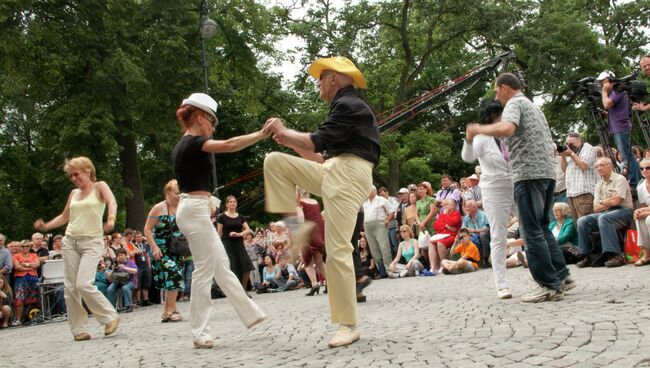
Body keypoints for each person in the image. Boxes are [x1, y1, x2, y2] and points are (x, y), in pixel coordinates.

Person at [262, 56, 379, 347]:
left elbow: (316, 142)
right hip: (335, 170)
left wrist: (284, 130)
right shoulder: (346, 109)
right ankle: (295, 226)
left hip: (347, 174)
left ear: (334, 79)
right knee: (275, 162)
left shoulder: (348, 105)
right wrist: (288, 141)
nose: (318, 85)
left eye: (320, 79)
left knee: (338, 249)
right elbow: (318, 156)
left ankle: (348, 324)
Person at [466, 72, 573, 303]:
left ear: (505, 87)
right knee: (542, 227)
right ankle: (562, 276)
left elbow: (507, 129)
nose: (497, 97)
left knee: (531, 231)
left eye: (496, 91)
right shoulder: (534, 106)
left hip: (527, 174)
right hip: (547, 174)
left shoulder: (514, 103)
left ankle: (547, 284)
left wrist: (478, 129)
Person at [172, 92, 267, 349]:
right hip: (194, 210)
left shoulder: (187, 143)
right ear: (201, 117)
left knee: (221, 265)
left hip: (195, 209)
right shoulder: (192, 142)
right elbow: (229, 145)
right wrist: (260, 134)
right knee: (204, 270)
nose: (213, 129)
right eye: (212, 122)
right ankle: (199, 332)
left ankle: (251, 313)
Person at [33, 156, 119, 340]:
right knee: (71, 287)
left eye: (76, 174)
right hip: (70, 241)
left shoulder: (100, 186)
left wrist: (111, 218)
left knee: (83, 284)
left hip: (92, 241)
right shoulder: (73, 194)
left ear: (88, 170)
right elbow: (65, 217)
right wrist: (46, 226)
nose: (73, 178)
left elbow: (112, 202)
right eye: (70, 176)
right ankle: (78, 329)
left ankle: (109, 317)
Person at [461, 98, 516, 299]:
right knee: (498, 234)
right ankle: (502, 284)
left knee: (532, 227)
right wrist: (468, 138)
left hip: (515, 182)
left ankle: (546, 274)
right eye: (498, 115)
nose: (502, 119)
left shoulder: (510, 131)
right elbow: (468, 158)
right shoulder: (482, 137)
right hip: (493, 188)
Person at [576, 157, 634, 268]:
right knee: (582, 221)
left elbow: (617, 201)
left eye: (602, 165)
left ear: (610, 166)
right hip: (606, 212)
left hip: (624, 211)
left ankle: (614, 255)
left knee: (604, 218)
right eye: (597, 166)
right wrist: (607, 201)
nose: (599, 168)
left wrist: (603, 202)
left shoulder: (620, 179)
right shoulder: (599, 184)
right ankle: (586, 255)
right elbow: (595, 208)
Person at [598, 70, 640, 186]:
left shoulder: (618, 90)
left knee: (626, 156)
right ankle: (636, 179)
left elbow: (607, 104)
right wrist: (606, 114)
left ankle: (634, 181)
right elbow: (614, 111)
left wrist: (604, 91)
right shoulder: (613, 92)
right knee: (627, 154)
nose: (602, 84)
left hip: (621, 127)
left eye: (603, 81)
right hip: (618, 127)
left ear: (611, 80)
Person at [217, 195, 256, 294]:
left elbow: (248, 229)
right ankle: (235, 291)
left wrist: (239, 234)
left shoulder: (241, 216)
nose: (232, 203)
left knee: (247, 266)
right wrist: (217, 245)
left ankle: (243, 290)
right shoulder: (221, 217)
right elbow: (219, 232)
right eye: (230, 202)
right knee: (233, 267)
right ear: (226, 204)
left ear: (236, 203)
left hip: (239, 244)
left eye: (234, 201)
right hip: (227, 244)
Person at [560, 132, 599, 224]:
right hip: (571, 193)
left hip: (584, 193)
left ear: (579, 140)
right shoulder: (572, 153)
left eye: (571, 144)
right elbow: (564, 170)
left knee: (586, 224)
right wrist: (563, 156)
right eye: (567, 144)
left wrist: (572, 154)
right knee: (578, 226)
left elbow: (584, 166)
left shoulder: (587, 148)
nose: (569, 146)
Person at [296, 188, 327, 297]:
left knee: (307, 261)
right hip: (319, 231)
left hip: (309, 232)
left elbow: (301, 220)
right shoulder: (315, 202)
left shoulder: (300, 204)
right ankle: (329, 283)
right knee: (319, 260)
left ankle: (314, 284)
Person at [362, 186, 393, 278]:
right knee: (374, 249)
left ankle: (389, 270)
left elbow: (391, 211)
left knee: (384, 247)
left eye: (368, 190)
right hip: (367, 226)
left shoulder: (382, 199)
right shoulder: (364, 202)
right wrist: (363, 228)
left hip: (379, 224)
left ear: (374, 191)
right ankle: (382, 271)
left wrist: (387, 220)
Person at [430, 199, 462, 274]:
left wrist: (446, 215)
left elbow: (452, 222)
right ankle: (433, 267)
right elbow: (436, 225)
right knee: (431, 243)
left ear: (453, 206)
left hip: (452, 235)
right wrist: (446, 226)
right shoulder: (442, 214)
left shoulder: (456, 214)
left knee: (440, 243)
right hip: (441, 235)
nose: (445, 206)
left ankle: (443, 264)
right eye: (444, 205)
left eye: (447, 204)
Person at [106, 248, 137, 313]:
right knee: (109, 289)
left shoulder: (130, 262)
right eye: (118, 256)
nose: (120, 257)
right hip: (118, 281)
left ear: (125, 255)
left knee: (125, 288)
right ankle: (111, 307)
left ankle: (129, 306)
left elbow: (136, 271)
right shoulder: (116, 264)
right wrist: (113, 270)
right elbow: (109, 278)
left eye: (121, 255)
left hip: (129, 281)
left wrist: (125, 268)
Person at [462, 200, 490, 264]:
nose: (465, 209)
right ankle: (470, 260)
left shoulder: (483, 215)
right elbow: (462, 229)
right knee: (463, 238)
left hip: (485, 234)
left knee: (482, 235)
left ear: (474, 207)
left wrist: (473, 231)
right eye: (465, 207)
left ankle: (485, 258)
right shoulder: (466, 218)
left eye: (467, 207)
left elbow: (486, 229)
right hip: (472, 236)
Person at [634, 158, 650, 266]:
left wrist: (646, 212)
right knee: (639, 218)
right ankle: (646, 254)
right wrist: (639, 211)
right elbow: (644, 206)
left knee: (649, 219)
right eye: (641, 168)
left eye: (648, 167)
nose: (644, 170)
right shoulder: (640, 187)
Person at [132, 231, 152, 306]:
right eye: (137, 237)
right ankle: (138, 301)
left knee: (146, 283)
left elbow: (147, 255)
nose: (139, 238)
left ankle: (146, 299)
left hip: (145, 266)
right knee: (138, 284)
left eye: (140, 236)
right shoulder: (134, 245)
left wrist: (149, 264)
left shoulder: (145, 245)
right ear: (135, 238)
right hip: (138, 266)